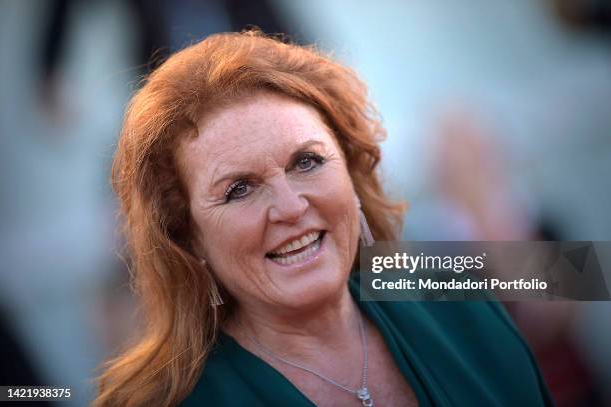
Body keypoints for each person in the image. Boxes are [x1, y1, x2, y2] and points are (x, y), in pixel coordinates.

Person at [94, 31, 553, 406]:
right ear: (187, 236)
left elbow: (575, 278)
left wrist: (486, 198)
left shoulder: (449, 290)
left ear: (352, 172)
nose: (291, 207)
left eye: (307, 162)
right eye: (239, 189)